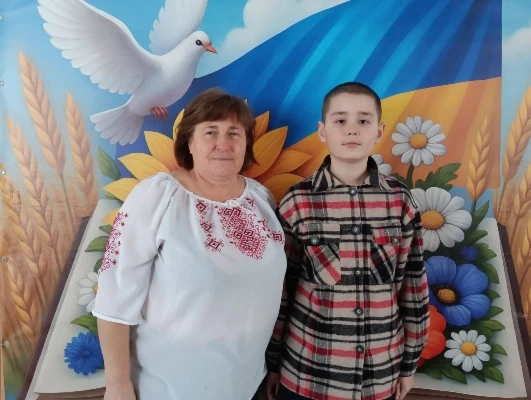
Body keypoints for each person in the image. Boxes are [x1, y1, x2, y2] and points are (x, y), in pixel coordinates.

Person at [92, 88, 287, 400]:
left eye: (234, 133)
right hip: (170, 386)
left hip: (246, 382)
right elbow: (114, 296)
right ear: (190, 143)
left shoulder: (261, 198)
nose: (223, 143)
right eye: (211, 132)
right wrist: (117, 385)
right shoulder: (157, 196)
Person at [264, 82, 429, 400]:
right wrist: (273, 363)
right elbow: (280, 293)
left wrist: (409, 365)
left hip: (379, 374)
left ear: (379, 131)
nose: (352, 129)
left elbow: (413, 288)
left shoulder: (400, 201)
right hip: (307, 372)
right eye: (340, 120)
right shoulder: (298, 202)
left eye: (363, 120)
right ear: (322, 131)